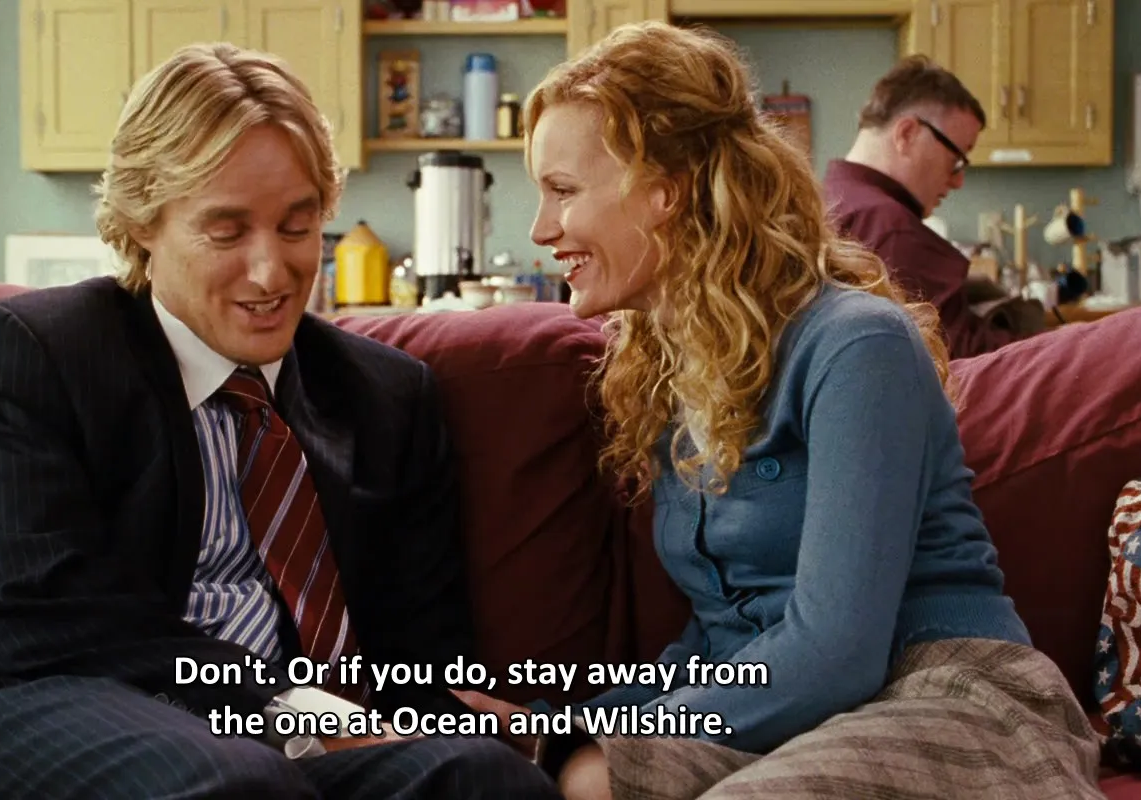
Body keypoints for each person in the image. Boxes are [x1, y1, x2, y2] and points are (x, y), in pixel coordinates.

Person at [0, 43, 558, 800]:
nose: (272, 270)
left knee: (484, 781)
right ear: (142, 223)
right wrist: (282, 703)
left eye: (299, 225)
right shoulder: (35, 350)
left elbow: (422, 655)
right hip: (20, 698)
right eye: (226, 230)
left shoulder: (386, 396)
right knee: (228, 780)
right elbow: (15, 608)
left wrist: (537, 737)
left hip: (287, 740)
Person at [450, 22, 1101, 800]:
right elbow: (717, 644)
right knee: (587, 777)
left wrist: (571, 733)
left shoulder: (856, 343)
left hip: (949, 696)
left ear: (664, 192)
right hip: (792, 709)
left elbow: (836, 654)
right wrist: (551, 725)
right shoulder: (667, 372)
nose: (541, 229)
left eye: (562, 190)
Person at [823, 55, 1044, 359]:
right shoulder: (889, 226)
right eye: (956, 160)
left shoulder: (831, 197)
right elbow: (965, 361)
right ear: (907, 134)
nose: (958, 181)